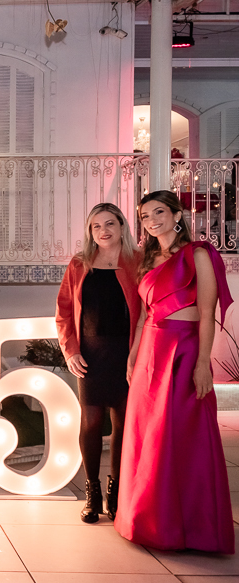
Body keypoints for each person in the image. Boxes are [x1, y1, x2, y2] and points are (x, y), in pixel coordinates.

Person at [116, 190, 235, 554]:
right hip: (150, 352)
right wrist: (133, 355)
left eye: (159, 212)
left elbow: (206, 314)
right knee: (149, 436)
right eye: (145, 216)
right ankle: (148, 520)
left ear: (177, 215)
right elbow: (145, 315)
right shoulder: (148, 259)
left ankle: (195, 528)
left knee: (185, 434)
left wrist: (203, 363)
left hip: (183, 351)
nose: (152, 221)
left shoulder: (198, 254)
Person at [56, 203, 141, 523]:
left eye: (110, 224)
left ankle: (115, 493)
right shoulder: (79, 264)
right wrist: (70, 351)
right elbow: (64, 312)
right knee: (91, 422)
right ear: (90, 232)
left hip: (127, 353)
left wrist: (139, 353)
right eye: (96, 226)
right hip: (90, 354)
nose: (103, 231)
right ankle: (91, 493)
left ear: (122, 227)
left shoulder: (139, 262)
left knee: (122, 424)